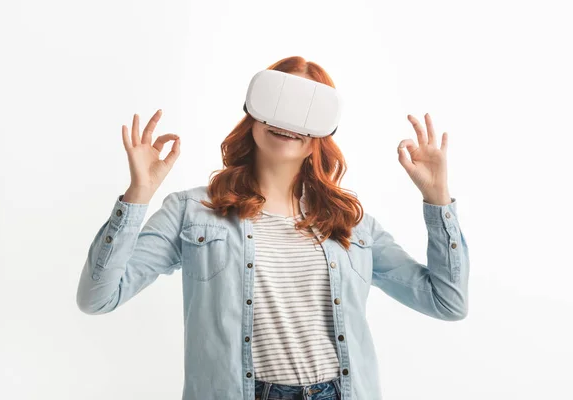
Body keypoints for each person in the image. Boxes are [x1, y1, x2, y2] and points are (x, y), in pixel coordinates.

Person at [76, 56, 469, 400]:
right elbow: (98, 297)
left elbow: (447, 303)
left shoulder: (352, 224)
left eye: (307, 113)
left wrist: (438, 199)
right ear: (252, 115)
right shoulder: (192, 211)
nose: (288, 123)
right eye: (279, 106)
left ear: (322, 135)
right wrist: (138, 194)